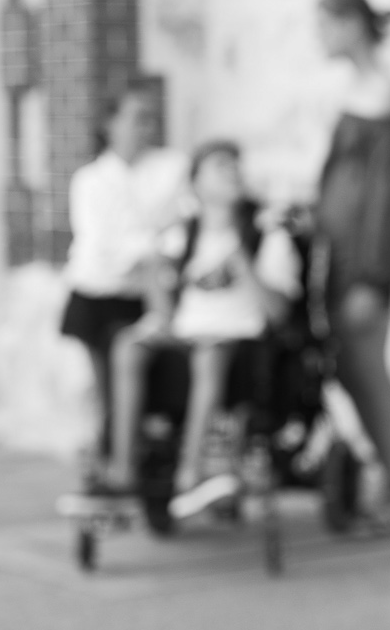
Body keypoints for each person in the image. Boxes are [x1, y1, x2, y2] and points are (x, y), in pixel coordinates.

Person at [108, 139, 302, 516]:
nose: (232, 170)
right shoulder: (183, 236)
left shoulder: (264, 234)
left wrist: (243, 264)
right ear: (195, 182)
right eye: (219, 164)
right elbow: (156, 279)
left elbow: (279, 312)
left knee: (209, 355)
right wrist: (159, 304)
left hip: (239, 339)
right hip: (186, 334)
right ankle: (121, 468)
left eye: (235, 163)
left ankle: (191, 472)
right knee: (127, 346)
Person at [312, 0, 390, 535]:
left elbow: (382, 198)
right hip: (339, 259)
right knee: (350, 370)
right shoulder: (358, 89)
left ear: (353, 24)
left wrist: (371, 278)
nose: (320, 36)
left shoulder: (383, 96)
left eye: (327, 25)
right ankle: (385, 483)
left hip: (363, 262)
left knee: (367, 369)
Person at [59, 83, 185, 492]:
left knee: (148, 384)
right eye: (135, 117)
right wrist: (151, 243)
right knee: (109, 392)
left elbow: (181, 231)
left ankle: (138, 461)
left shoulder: (169, 168)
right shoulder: (91, 180)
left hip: (146, 298)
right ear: (109, 124)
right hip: (98, 299)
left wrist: (146, 246)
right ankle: (112, 462)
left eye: (149, 118)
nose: (144, 127)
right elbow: (101, 247)